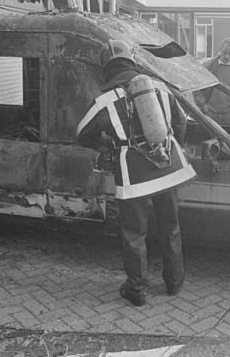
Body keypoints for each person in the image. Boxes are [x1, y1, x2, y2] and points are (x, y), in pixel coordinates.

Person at [77, 40, 196, 307]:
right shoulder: (161, 87)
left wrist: (106, 145)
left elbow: (82, 133)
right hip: (170, 169)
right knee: (171, 228)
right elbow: (180, 122)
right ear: (132, 61)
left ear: (106, 66)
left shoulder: (104, 100)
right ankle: (174, 282)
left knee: (134, 233)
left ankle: (137, 290)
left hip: (134, 178)